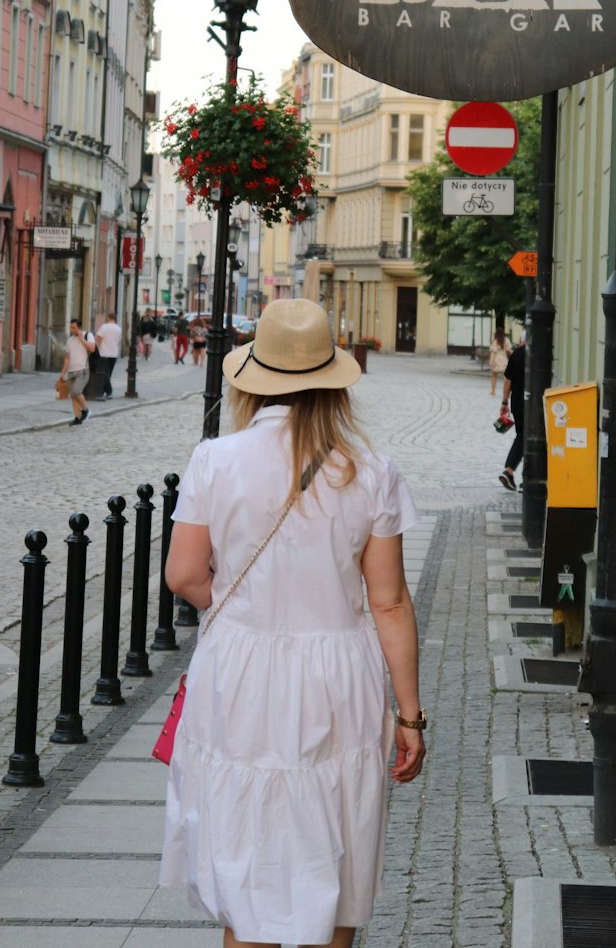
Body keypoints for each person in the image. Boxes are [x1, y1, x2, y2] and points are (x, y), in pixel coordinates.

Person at [160, 298, 425, 948]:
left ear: (254, 376)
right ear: (333, 379)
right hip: (339, 676)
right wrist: (410, 715)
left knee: (249, 877)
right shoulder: (370, 473)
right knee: (335, 864)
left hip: (243, 672)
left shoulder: (215, 461)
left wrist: (243, 614)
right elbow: (388, 601)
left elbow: (184, 576)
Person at [498, 333, 526, 490]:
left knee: (522, 436)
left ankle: (509, 471)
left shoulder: (516, 354)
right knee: (534, 438)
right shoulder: (539, 353)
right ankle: (526, 479)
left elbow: (508, 380)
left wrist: (504, 402)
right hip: (535, 404)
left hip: (517, 404)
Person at [59, 319, 94, 426]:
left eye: (74, 327)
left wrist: (81, 339)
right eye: (71, 327)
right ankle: (77, 418)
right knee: (73, 395)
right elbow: (68, 358)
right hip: (71, 371)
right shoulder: (69, 341)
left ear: (79, 327)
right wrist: (63, 372)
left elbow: (92, 349)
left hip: (82, 370)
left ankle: (86, 410)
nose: (72, 329)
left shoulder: (88, 335)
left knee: (76, 391)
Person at [96, 312, 122, 399]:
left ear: (108, 318)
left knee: (104, 373)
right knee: (108, 373)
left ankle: (109, 391)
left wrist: (95, 348)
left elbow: (98, 339)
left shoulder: (104, 327)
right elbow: (118, 341)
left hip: (104, 353)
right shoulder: (118, 329)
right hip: (114, 354)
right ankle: (103, 391)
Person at [488, 327, 512, 396]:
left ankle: (493, 391)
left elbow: (493, 353)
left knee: (494, 376)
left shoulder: (495, 341)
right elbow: (509, 350)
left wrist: (491, 361)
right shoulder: (506, 340)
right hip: (504, 360)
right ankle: (509, 392)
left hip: (496, 360)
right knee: (506, 377)